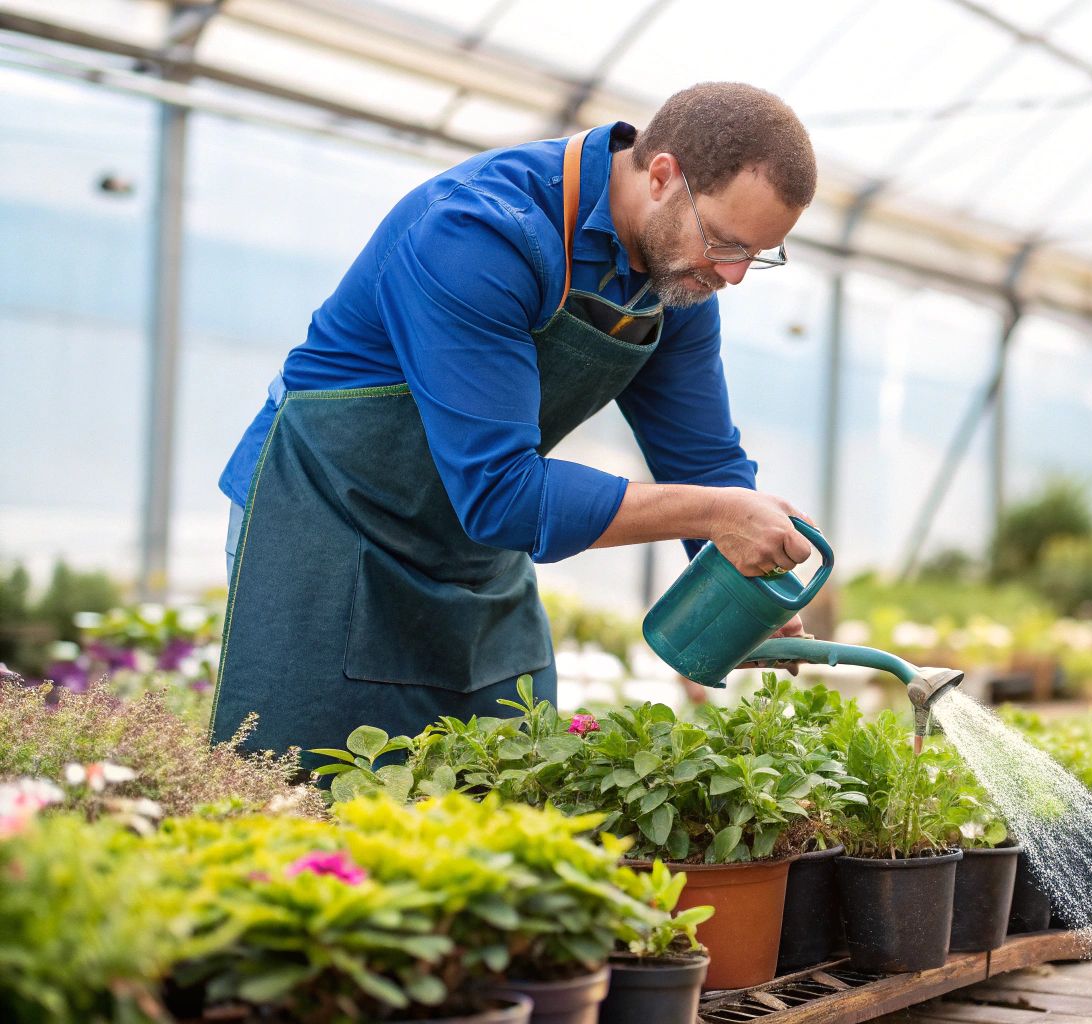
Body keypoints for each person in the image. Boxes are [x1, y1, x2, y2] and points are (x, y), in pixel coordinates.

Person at [210, 82, 818, 763]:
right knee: (310, 779)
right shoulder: (479, 233)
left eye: (758, 255)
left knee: (503, 775)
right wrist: (716, 516)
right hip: (328, 525)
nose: (734, 276)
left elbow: (702, 458)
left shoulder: (678, 278)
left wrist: (748, 585)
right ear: (662, 175)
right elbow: (501, 495)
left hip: (471, 548)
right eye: (727, 243)